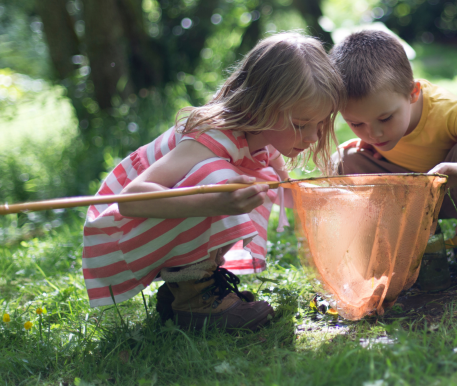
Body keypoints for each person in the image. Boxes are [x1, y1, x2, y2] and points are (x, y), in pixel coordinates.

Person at [82, 33, 344, 331]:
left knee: (259, 180)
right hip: (116, 235)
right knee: (224, 180)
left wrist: (329, 204)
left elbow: (288, 192)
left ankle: (184, 290)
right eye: (300, 125)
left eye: (320, 125)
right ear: (263, 105)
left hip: (149, 231)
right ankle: (196, 300)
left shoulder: (264, 138)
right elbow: (132, 200)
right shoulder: (211, 138)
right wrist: (216, 202)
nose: (312, 138)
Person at [330, 29, 457, 276]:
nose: (374, 134)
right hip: (410, 196)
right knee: (344, 160)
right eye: (356, 124)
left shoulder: (447, 110)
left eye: (385, 118)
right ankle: (410, 239)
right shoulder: (375, 126)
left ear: (413, 92)